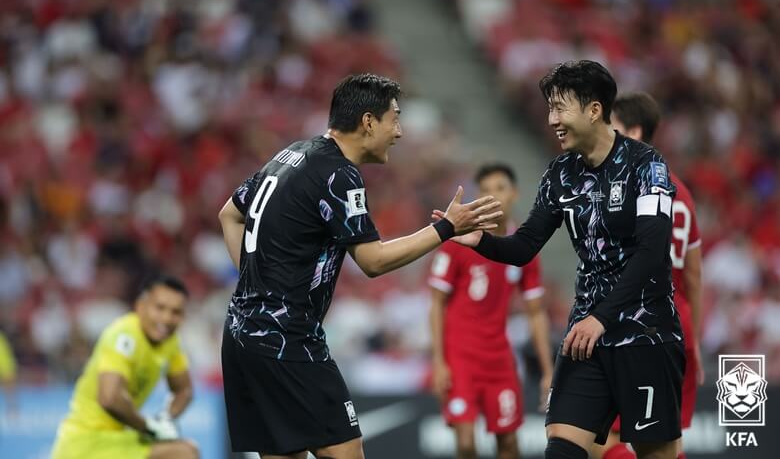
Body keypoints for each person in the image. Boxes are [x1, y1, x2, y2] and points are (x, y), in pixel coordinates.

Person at [217, 73, 502, 459]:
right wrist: (447, 228)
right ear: (369, 122)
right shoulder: (339, 173)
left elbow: (229, 214)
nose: (398, 132)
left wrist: (257, 284)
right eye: (394, 119)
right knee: (346, 451)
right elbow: (373, 261)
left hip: (240, 334)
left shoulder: (291, 155)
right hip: (288, 338)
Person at [437, 61, 685, 459]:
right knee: (562, 451)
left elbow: (653, 254)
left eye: (560, 108)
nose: (552, 119)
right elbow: (523, 247)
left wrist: (601, 317)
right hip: (586, 342)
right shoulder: (560, 174)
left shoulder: (646, 165)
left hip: (646, 336)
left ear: (593, 110)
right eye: (549, 109)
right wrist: (480, 240)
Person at [591, 92, 703, 459]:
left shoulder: (629, 186)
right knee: (669, 444)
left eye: (615, 128)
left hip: (638, 326)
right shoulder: (681, 191)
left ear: (635, 132)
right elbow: (695, 275)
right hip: (679, 327)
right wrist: (696, 341)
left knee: (601, 438)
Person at [429, 163, 553, 459]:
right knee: (466, 443)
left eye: (500, 188)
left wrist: (549, 371)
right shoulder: (460, 241)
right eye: (485, 190)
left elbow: (536, 312)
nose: (493, 196)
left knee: (509, 444)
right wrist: (438, 361)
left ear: (514, 194)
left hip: (499, 360)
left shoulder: (524, 248)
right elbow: (436, 304)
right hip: (461, 358)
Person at [51, 276, 198, 459]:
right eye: (160, 308)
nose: (167, 318)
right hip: (86, 441)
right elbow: (109, 398)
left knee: (186, 452)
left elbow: (184, 390)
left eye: (176, 312)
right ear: (140, 306)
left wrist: (165, 418)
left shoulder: (170, 342)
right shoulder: (124, 334)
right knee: (182, 454)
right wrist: (148, 427)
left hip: (119, 438)